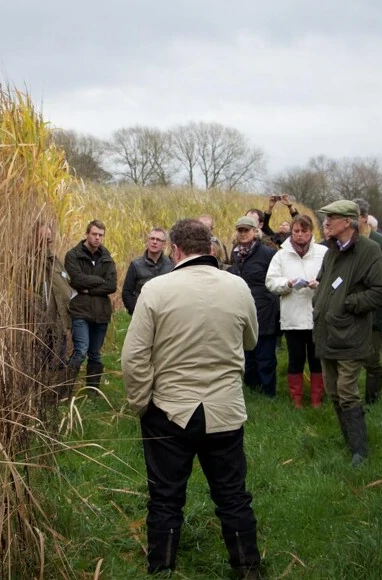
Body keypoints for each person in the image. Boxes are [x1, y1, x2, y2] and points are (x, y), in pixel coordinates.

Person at [122, 219, 262, 579]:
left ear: (175, 250)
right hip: (225, 410)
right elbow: (250, 341)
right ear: (212, 249)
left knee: (166, 497)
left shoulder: (156, 289)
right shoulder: (238, 287)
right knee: (233, 495)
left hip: (169, 409)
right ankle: (247, 568)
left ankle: (162, 567)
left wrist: (141, 404)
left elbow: (134, 357)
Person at [310, 200, 382, 465]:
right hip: (326, 331)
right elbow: (324, 282)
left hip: (351, 333)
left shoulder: (370, 250)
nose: (326, 223)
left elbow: (380, 292)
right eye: (325, 218)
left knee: (347, 391)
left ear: (348, 222)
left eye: (331, 218)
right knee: (333, 391)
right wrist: (320, 301)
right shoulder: (331, 250)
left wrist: (348, 303)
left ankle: (360, 451)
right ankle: (349, 443)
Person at [265, 214, 327, 408]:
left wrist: (320, 284)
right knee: (296, 359)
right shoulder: (281, 255)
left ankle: (317, 400)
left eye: (304, 231)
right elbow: (271, 282)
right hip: (292, 316)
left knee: (317, 360)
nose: (300, 235)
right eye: (296, 231)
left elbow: (334, 279)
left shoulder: (323, 252)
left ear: (311, 232)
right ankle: (296, 400)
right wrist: (288, 283)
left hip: (317, 315)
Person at [229, 216, 280, 397]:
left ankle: (268, 392)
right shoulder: (234, 253)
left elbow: (274, 280)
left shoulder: (267, 253)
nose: (243, 234)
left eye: (246, 230)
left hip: (264, 309)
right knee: (247, 353)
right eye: (240, 230)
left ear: (254, 232)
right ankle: (251, 389)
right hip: (242, 308)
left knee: (265, 355)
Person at [64, 219, 117, 392]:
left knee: (95, 354)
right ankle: (64, 389)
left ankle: (92, 393)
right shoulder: (73, 255)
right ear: (87, 234)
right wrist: (100, 281)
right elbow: (76, 279)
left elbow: (112, 285)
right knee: (81, 351)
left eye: (100, 235)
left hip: (101, 312)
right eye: (94, 234)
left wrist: (88, 289)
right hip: (81, 311)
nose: (97, 238)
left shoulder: (106, 258)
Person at [354, 198, 382, 404]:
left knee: (371, 359)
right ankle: (348, 399)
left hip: (373, 311)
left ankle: (372, 401)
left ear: (363, 218)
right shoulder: (346, 241)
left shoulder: (380, 242)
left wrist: (370, 294)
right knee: (350, 358)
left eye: (353, 216)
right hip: (350, 310)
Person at [32, 222, 73, 397]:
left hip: (59, 323)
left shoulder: (55, 261)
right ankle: (39, 396)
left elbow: (65, 285)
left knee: (59, 362)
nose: (47, 243)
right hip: (40, 324)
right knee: (39, 363)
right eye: (43, 239)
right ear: (34, 238)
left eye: (49, 240)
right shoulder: (29, 263)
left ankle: (55, 397)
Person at [122, 227, 174, 316]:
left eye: (158, 240)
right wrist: (135, 312)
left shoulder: (171, 265)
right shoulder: (136, 265)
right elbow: (127, 292)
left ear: (164, 244)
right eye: (152, 239)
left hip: (165, 316)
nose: (154, 242)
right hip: (142, 315)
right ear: (148, 241)